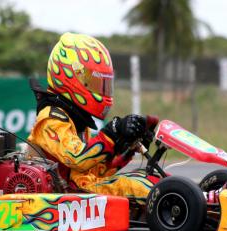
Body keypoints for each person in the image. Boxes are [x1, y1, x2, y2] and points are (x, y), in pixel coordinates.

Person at [28, 32, 156, 204]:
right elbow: (77, 160)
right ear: (71, 78)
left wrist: (126, 147)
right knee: (136, 187)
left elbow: (94, 172)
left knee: (147, 179)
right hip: (62, 195)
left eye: (104, 84)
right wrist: (113, 132)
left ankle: (196, 197)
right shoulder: (51, 119)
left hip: (79, 189)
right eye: (95, 84)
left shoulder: (77, 119)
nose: (101, 90)